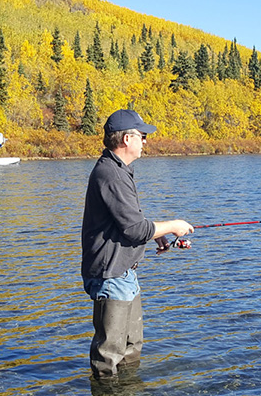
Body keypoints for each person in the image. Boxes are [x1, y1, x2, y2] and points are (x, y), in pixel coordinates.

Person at [81, 109, 194, 379]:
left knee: (132, 349)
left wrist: (158, 235)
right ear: (126, 139)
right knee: (107, 359)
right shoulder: (110, 174)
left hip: (125, 272)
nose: (146, 142)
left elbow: (129, 223)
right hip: (110, 275)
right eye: (142, 136)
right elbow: (134, 229)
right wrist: (174, 225)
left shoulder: (120, 170)